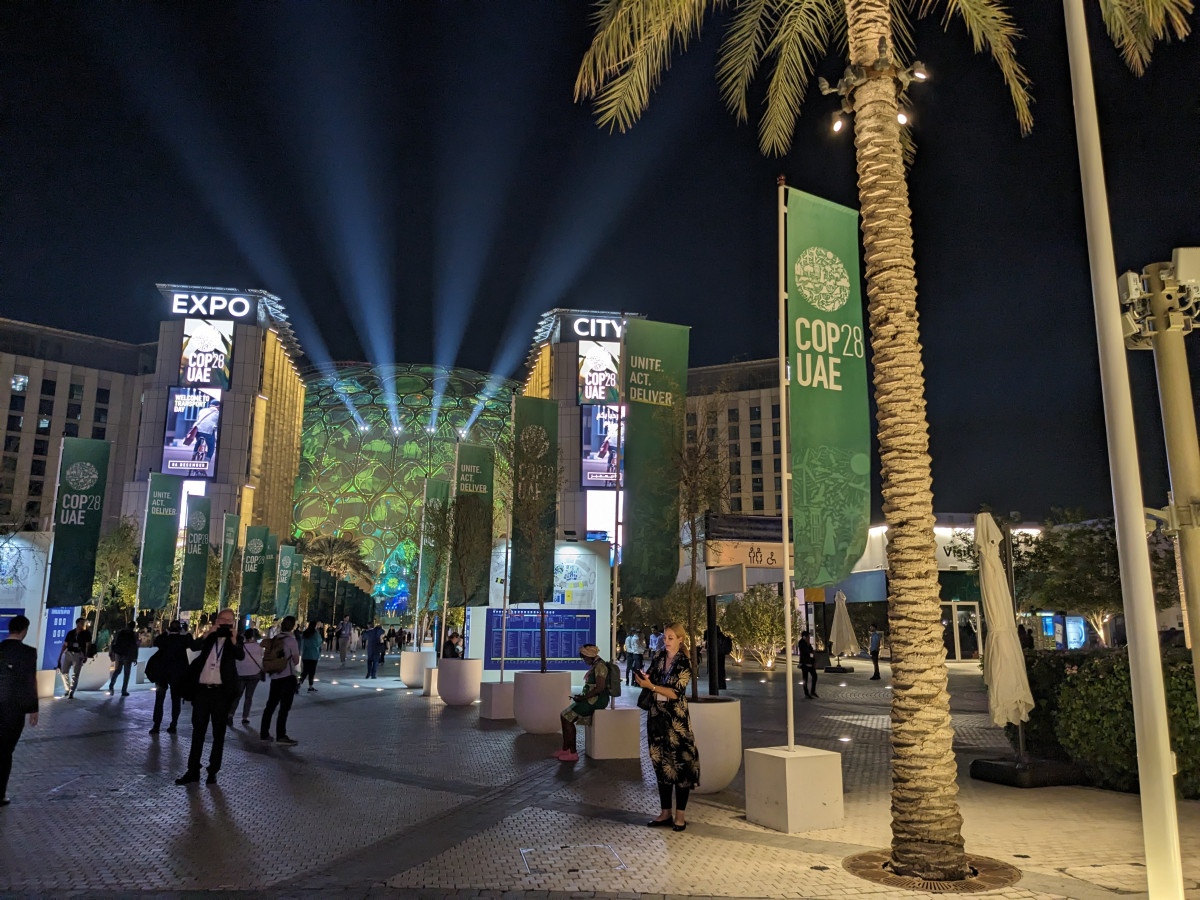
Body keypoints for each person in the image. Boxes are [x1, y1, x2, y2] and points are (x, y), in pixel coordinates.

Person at [634, 623, 699, 831]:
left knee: (680, 766)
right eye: (665, 637)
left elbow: (675, 693)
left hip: (676, 722)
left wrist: (651, 687)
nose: (666, 641)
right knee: (661, 765)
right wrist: (645, 678)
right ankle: (665, 813)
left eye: (671, 638)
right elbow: (652, 675)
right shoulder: (660, 656)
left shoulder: (684, 663)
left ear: (680, 639)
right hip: (656, 719)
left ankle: (680, 816)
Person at [176, 608, 244, 786]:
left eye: (229, 620)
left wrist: (234, 639)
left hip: (221, 693)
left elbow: (240, 656)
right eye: (222, 619)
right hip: (202, 692)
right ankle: (192, 771)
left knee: (218, 734)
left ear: (233, 623)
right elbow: (194, 646)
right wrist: (208, 633)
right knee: (197, 732)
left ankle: (213, 771)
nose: (225, 623)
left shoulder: (235, 639)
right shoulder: (210, 637)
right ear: (217, 620)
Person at [0, 615, 39, 806]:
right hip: (14, 711)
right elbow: (30, 681)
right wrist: (34, 708)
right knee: (6, 752)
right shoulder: (29, 653)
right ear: (24, 630)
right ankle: (0, 794)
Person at [555, 645, 610, 762]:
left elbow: (600, 688)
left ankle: (573, 752)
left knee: (568, 718)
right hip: (589, 699)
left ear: (590, 656)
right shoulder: (596, 665)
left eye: (584, 658)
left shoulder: (600, 666)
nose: (584, 660)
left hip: (595, 701)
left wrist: (583, 697)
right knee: (563, 715)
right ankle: (565, 749)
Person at [260, 615, 301, 745]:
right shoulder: (291, 640)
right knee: (284, 708)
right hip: (287, 677)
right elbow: (296, 660)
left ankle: (264, 733)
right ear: (293, 626)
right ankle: (281, 735)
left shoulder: (276, 638)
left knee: (270, 706)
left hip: (275, 677)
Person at [149, 620, 191, 734]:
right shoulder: (182, 640)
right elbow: (191, 644)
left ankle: (156, 725)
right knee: (175, 700)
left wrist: (165, 633)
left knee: (159, 700)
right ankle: (173, 724)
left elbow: (156, 642)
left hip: (162, 674)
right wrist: (185, 633)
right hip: (177, 675)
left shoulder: (165, 639)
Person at [230, 627, 265, 726]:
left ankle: (230, 714)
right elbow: (261, 659)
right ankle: (245, 717)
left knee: (237, 696)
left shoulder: (241, 646)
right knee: (249, 696)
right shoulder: (259, 647)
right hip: (254, 674)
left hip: (240, 673)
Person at [57, 618, 91, 699]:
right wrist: (60, 655)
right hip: (69, 653)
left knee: (75, 674)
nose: (83, 624)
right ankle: (67, 689)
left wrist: (85, 655)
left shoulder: (86, 633)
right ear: (77, 623)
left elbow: (88, 645)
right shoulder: (71, 633)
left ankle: (71, 692)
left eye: (84, 623)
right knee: (64, 672)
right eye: (81, 623)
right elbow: (65, 644)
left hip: (78, 654)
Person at [107, 621, 138, 696]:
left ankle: (111, 685)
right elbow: (134, 646)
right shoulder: (132, 634)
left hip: (119, 654)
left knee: (117, 670)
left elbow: (114, 642)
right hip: (127, 655)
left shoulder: (120, 632)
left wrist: (112, 652)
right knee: (126, 673)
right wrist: (135, 657)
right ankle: (124, 690)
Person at [299, 621, 322, 691]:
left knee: (305, 671)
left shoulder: (305, 633)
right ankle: (310, 686)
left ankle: (299, 683)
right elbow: (319, 642)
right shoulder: (316, 633)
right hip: (313, 655)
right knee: (312, 672)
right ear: (315, 626)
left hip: (305, 655)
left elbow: (302, 643)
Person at [798, 630, 818, 699]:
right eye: (808, 637)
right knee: (805, 679)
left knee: (815, 676)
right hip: (804, 664)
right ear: (804, 637)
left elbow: (811, 651)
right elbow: (805, 652)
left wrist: (813, 660)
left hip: (810, 663)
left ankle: (812, 691)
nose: (809, 638)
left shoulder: (808, 643)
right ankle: (806, 693)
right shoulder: (801, 643)